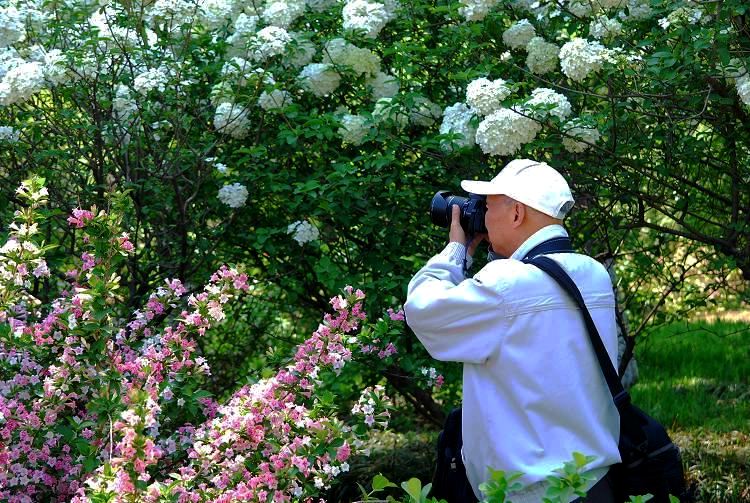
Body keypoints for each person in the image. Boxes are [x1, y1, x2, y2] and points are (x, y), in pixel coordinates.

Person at [404, 159, 621, 502]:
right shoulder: (594, 274)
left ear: (517, 214)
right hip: (594, 485)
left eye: (486, 207)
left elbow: (423, 311)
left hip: (529, 493)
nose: (482, 219)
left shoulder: (505, 284)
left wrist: (456, 249)